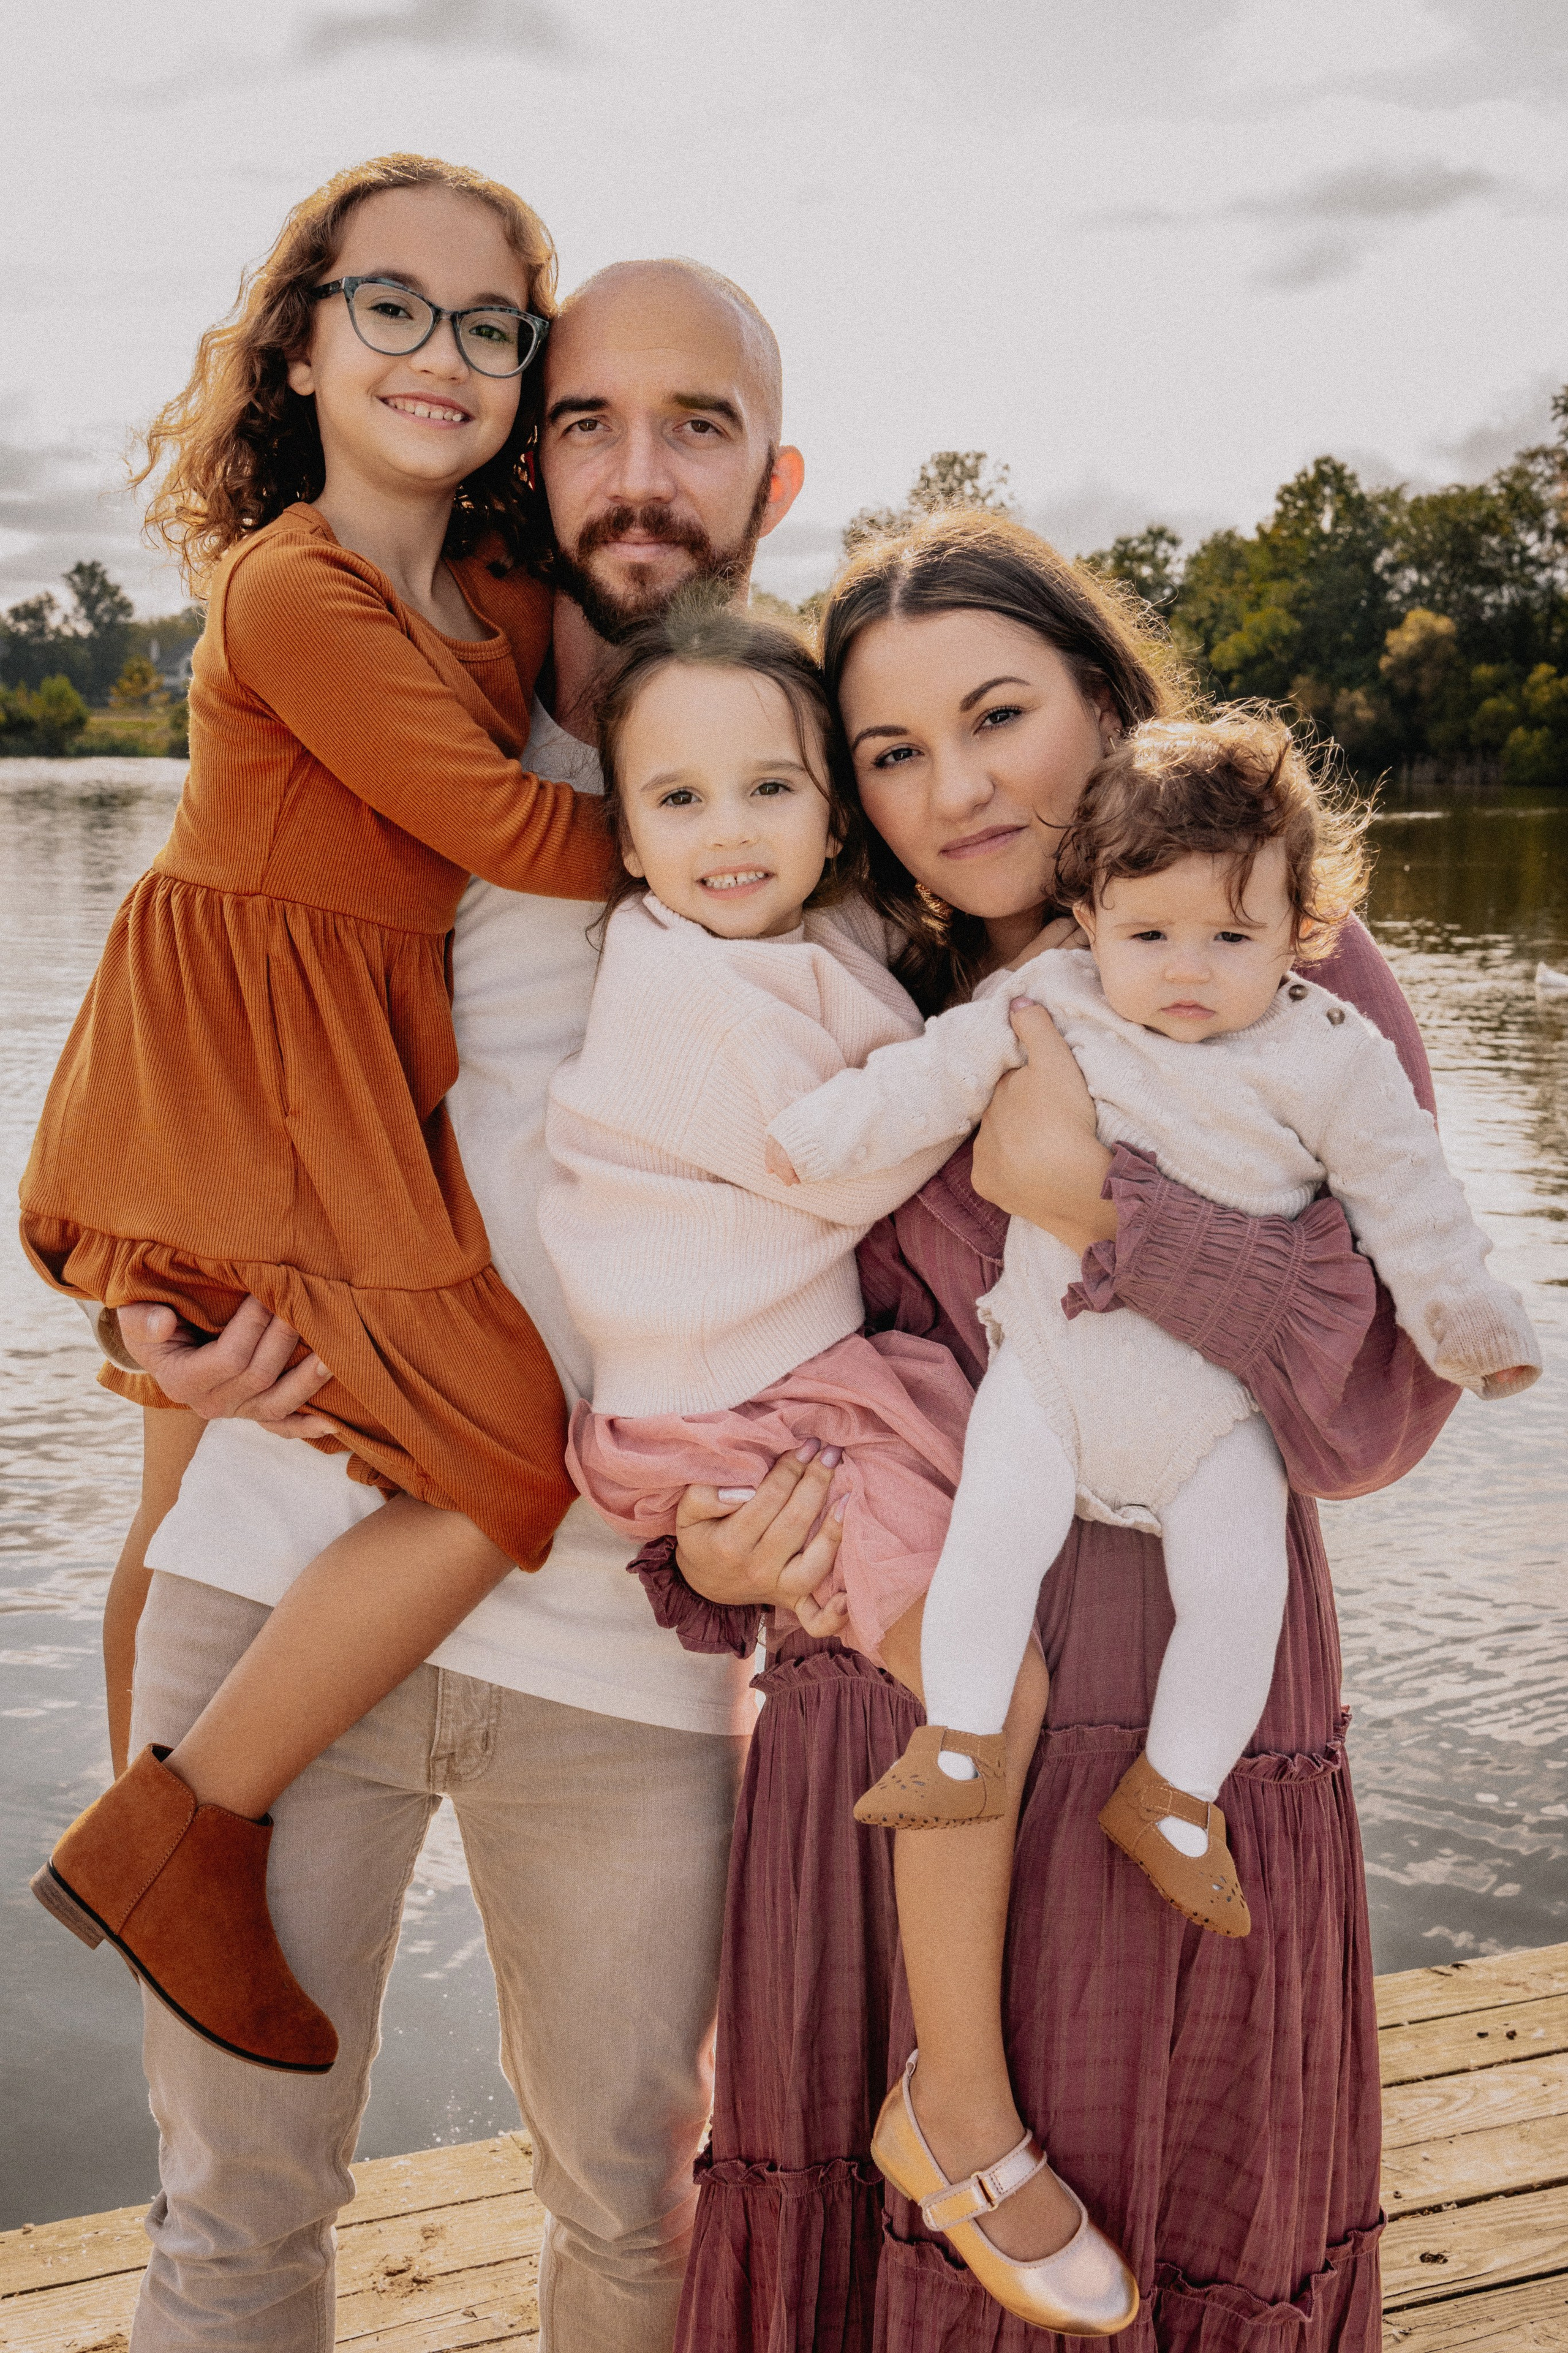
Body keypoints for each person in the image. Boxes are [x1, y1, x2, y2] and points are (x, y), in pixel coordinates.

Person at [68, 246, 805, 2351]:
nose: (636, 472)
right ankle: (166, 1826)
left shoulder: (824, 782)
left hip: (634, 1652)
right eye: (586, 416)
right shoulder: (400, 684)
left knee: (640, 2222)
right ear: (525, 449)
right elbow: (197, 1030)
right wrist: (143, 1322)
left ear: (780, 466)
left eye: (699, 426)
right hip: (279, 1556)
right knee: (230, 2231)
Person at [636, 511, 1466, 2351]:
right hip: (892, 1698)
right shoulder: (847, 976)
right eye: (890, 752)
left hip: (1170, 1702)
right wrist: (698, 1545)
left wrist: (1112, 1211)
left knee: (1156, 2233)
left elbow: (1380, 1411)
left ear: (1103, 700)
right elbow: (692, 1305)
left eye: (998, 714)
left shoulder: (1290, 971)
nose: (955, 787)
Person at [24, 154, 615, 2069]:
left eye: (490, 324)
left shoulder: (503, 589)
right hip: (246, 1069)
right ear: (300, 336)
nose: (441, 352)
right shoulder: (296, 581)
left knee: (188, 1473)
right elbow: (519, 826)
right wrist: (767, 833)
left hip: (333, 1057)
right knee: (504, 1453)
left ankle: (153, 1857)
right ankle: (169, 1836)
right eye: (392, 305)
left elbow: (595, 695)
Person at [538, 590, 1139, 2330]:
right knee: (984, 1683)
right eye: (679, 802)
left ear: (829, 807)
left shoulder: (805, 942)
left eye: (773, 791)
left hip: (774, 1393)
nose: (730, 838)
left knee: (996, 1633)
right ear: (625, 826)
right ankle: (953, 2103)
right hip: (743, 1414)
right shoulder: (691, 987)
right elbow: (848, 1148)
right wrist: (1037, 1024)